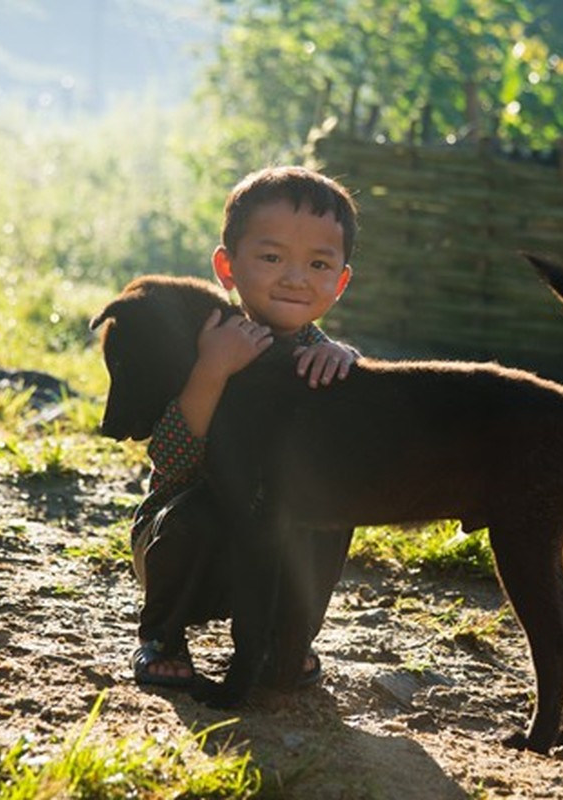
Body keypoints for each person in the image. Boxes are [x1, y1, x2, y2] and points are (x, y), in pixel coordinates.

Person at [130, 166, 359, 691]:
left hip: (274, 542)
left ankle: (287, 639)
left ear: (342, 280)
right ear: (226, 266)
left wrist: (345, 360)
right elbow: (170, 460)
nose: (296, 277)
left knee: (325, 521)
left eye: (319, 263)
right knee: (199, 516)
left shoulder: (325, 361)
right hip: (188, 544)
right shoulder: (204, 342)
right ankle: (163, 637)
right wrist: (212, 371)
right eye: (272, 257)